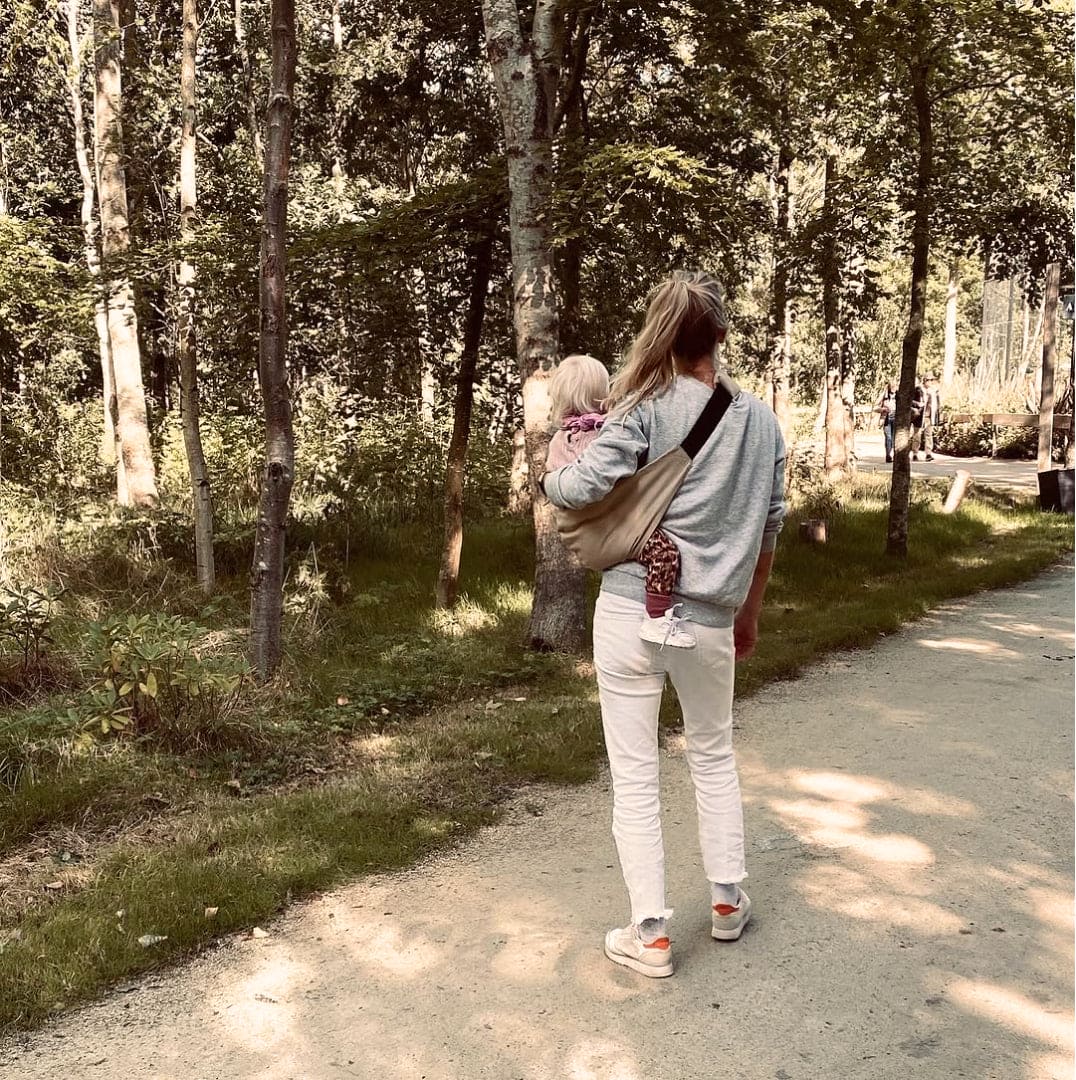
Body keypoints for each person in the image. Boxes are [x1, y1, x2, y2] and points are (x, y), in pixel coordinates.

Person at [542, 270, 786, 979]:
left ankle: (649, 935)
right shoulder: (761, 420)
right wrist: (748, 613)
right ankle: (729, 903)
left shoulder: (643, 407)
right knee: (713, 755)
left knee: (636, 772)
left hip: (628, 611)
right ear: (719, 334)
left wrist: (548, 479)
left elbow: (586, 486)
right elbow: (769, 528)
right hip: (712, 618)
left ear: (664, 334)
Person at [545, 353, 696, 648]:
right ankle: (656, 618)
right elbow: (597, 481)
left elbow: (558, 481)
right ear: (602, 392)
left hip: (600, 528)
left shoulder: (561, 440)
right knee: (665, 552)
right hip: (616, 522)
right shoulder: (610, 431)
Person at [912, 373, 942, 461]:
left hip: (929, 416)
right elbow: (911, 400)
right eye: (929, 380)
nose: (930, 382)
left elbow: (937, 404)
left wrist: (937, 415)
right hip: (919, 416)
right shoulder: (918, 389)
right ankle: (915, 453)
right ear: (924, 380)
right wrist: (918, 404)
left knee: (929, 435)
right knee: (917, 435)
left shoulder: (934, 391)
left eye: (932, 380)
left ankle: (928, 453)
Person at [876, 379, 897, 463]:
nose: (893, 388)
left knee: (894, 439)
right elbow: (875, 407)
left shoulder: (899, 395)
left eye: (894, 386)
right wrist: (883, 409)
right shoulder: (884, 395)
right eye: (891, 386)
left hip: (896, 419)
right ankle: (888, 455)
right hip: (886, 419)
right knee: (888, 438)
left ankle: (894, 454)